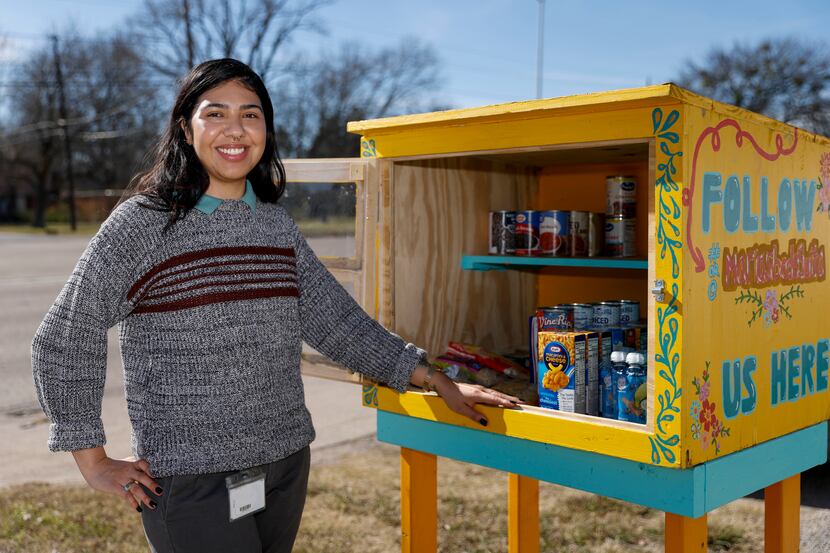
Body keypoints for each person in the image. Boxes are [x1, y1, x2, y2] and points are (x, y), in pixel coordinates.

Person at [31, 58, 520, 553]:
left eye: (251, 114)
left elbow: (337, 322)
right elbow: (66, 334)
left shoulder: (274, 226)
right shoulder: (143, 225)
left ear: (266, 128)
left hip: (285, 464)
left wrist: (433, 376)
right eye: (215, 114)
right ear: (185, 127)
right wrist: (91, 458)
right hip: (193, 478)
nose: (235, 130)